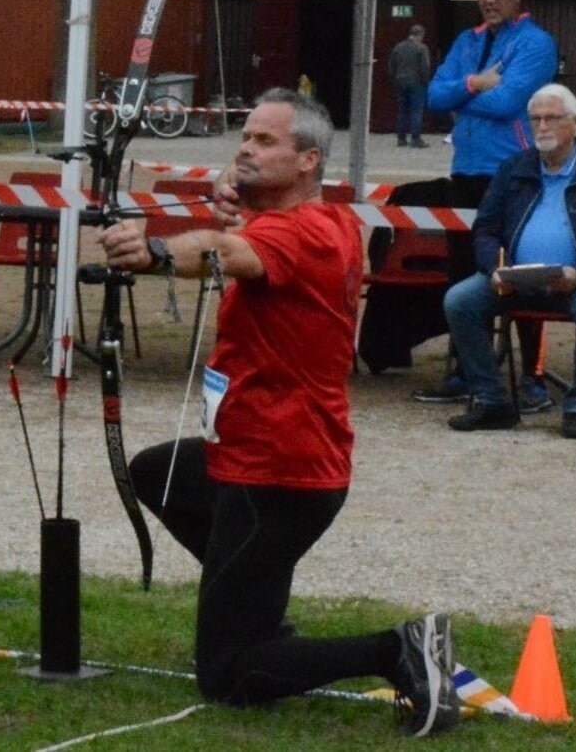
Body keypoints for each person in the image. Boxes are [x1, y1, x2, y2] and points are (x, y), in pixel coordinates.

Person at [101, 89, 459, 737]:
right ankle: (253, 611)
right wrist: (235, 194)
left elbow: (224, 251)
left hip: (277, 473)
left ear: (307, 162)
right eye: (246, 135)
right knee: (155, 472)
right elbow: (240, 230)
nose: (245, 147)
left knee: (228, 676)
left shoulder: (300, 234)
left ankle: (395, 649)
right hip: (250, 455)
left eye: (265, 142)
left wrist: (154, 252)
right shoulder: (311, 220)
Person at [443, 84, 576, 439]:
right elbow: (486, 228)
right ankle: (492, 402)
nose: (542, 127)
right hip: (517, 280)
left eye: (552, 118)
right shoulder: (513, 169)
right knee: (460, 300)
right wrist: (493, 268)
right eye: (535, 119)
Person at [416, 0, 561, 407]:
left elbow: (509, 102)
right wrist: (477, 83)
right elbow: (433, 96)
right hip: (467, 171)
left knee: (523, 273)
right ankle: (470, 371)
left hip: (515, 171)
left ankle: (533, 380)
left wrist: (463, 94)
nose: (490, 0)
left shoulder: (536, 44)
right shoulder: (466, 40)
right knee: (463, 273)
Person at [388, 24, 432, 148]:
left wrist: (395, 79)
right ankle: (415, 138)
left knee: (402, 110)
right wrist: (426, 81)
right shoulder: (422, 48)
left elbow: (391, 66)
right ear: (421, 35)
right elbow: (425, 67)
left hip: (400, 81)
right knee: (416, 110)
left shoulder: (398, 47)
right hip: (417, 82)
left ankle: (401, 138)